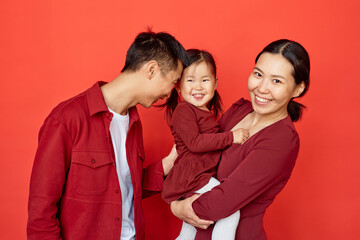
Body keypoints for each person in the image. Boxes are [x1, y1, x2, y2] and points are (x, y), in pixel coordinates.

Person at [27, 30, 190, 240]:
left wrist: (168, 163)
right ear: (151, 69)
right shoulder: (66, 120)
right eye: (173, 82)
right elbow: (41, 215)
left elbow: (124, 189)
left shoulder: (134, 123)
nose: (170, 94)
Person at [170, 39, 310, 240]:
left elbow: (222, 202)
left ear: (298, 89)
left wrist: (176, 204)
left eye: (276, 81)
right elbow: (197, 156)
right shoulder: (240, 110)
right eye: (258, 74)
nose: (262, 88)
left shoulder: (281, 141)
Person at [160, 49, 249, 240]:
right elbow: (195, 143)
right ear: (178, 86)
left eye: (205, 80)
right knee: (230, 210)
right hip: (192, 177)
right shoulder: (184, 110)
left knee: (189, 232)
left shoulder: (205, 113)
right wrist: (231, 137)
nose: (198, 87)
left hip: (199, 175)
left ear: (215, 83)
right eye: (190, 80)